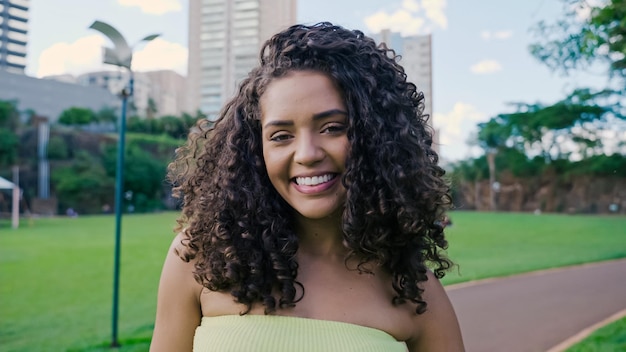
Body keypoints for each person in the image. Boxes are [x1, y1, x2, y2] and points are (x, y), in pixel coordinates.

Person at [150, 22, 464, 351]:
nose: (307, 155)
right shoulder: (200, 257)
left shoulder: (413, 289)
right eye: (281, 136)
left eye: (332, 128)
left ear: (375, 139)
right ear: (257, 150)